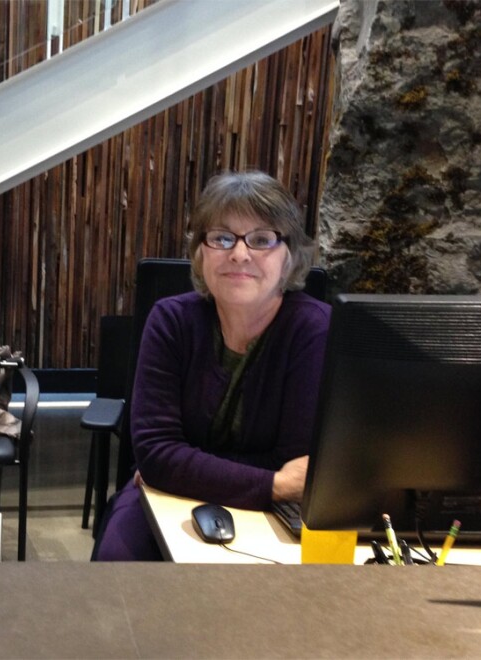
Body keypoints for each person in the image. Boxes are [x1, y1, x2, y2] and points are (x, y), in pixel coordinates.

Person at [94, 171, 331, 561]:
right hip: (162, 498)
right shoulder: (170, 320)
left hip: (270, 513)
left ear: (289, 256)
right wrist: (272, 481)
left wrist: (184, 466)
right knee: (117, 566)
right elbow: (154, 453)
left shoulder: (314, 331)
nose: (239, 254)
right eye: (221, 238)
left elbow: (299, 467)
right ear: (200, 252)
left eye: (261, 239)